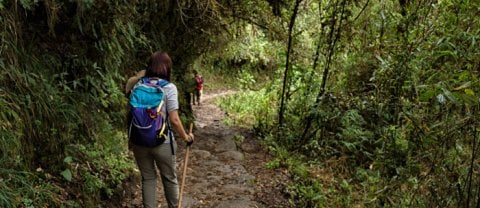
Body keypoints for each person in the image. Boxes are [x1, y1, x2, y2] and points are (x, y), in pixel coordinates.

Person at [125, 51, 194, 208]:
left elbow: (130, 115)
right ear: (167, 68)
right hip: (162, 142)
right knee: (169, 178)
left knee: (148, 178)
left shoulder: (137, 85)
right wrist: (186, 137)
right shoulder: (169, 88)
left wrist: (130, 140)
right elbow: (174, 120)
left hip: (139, 141)